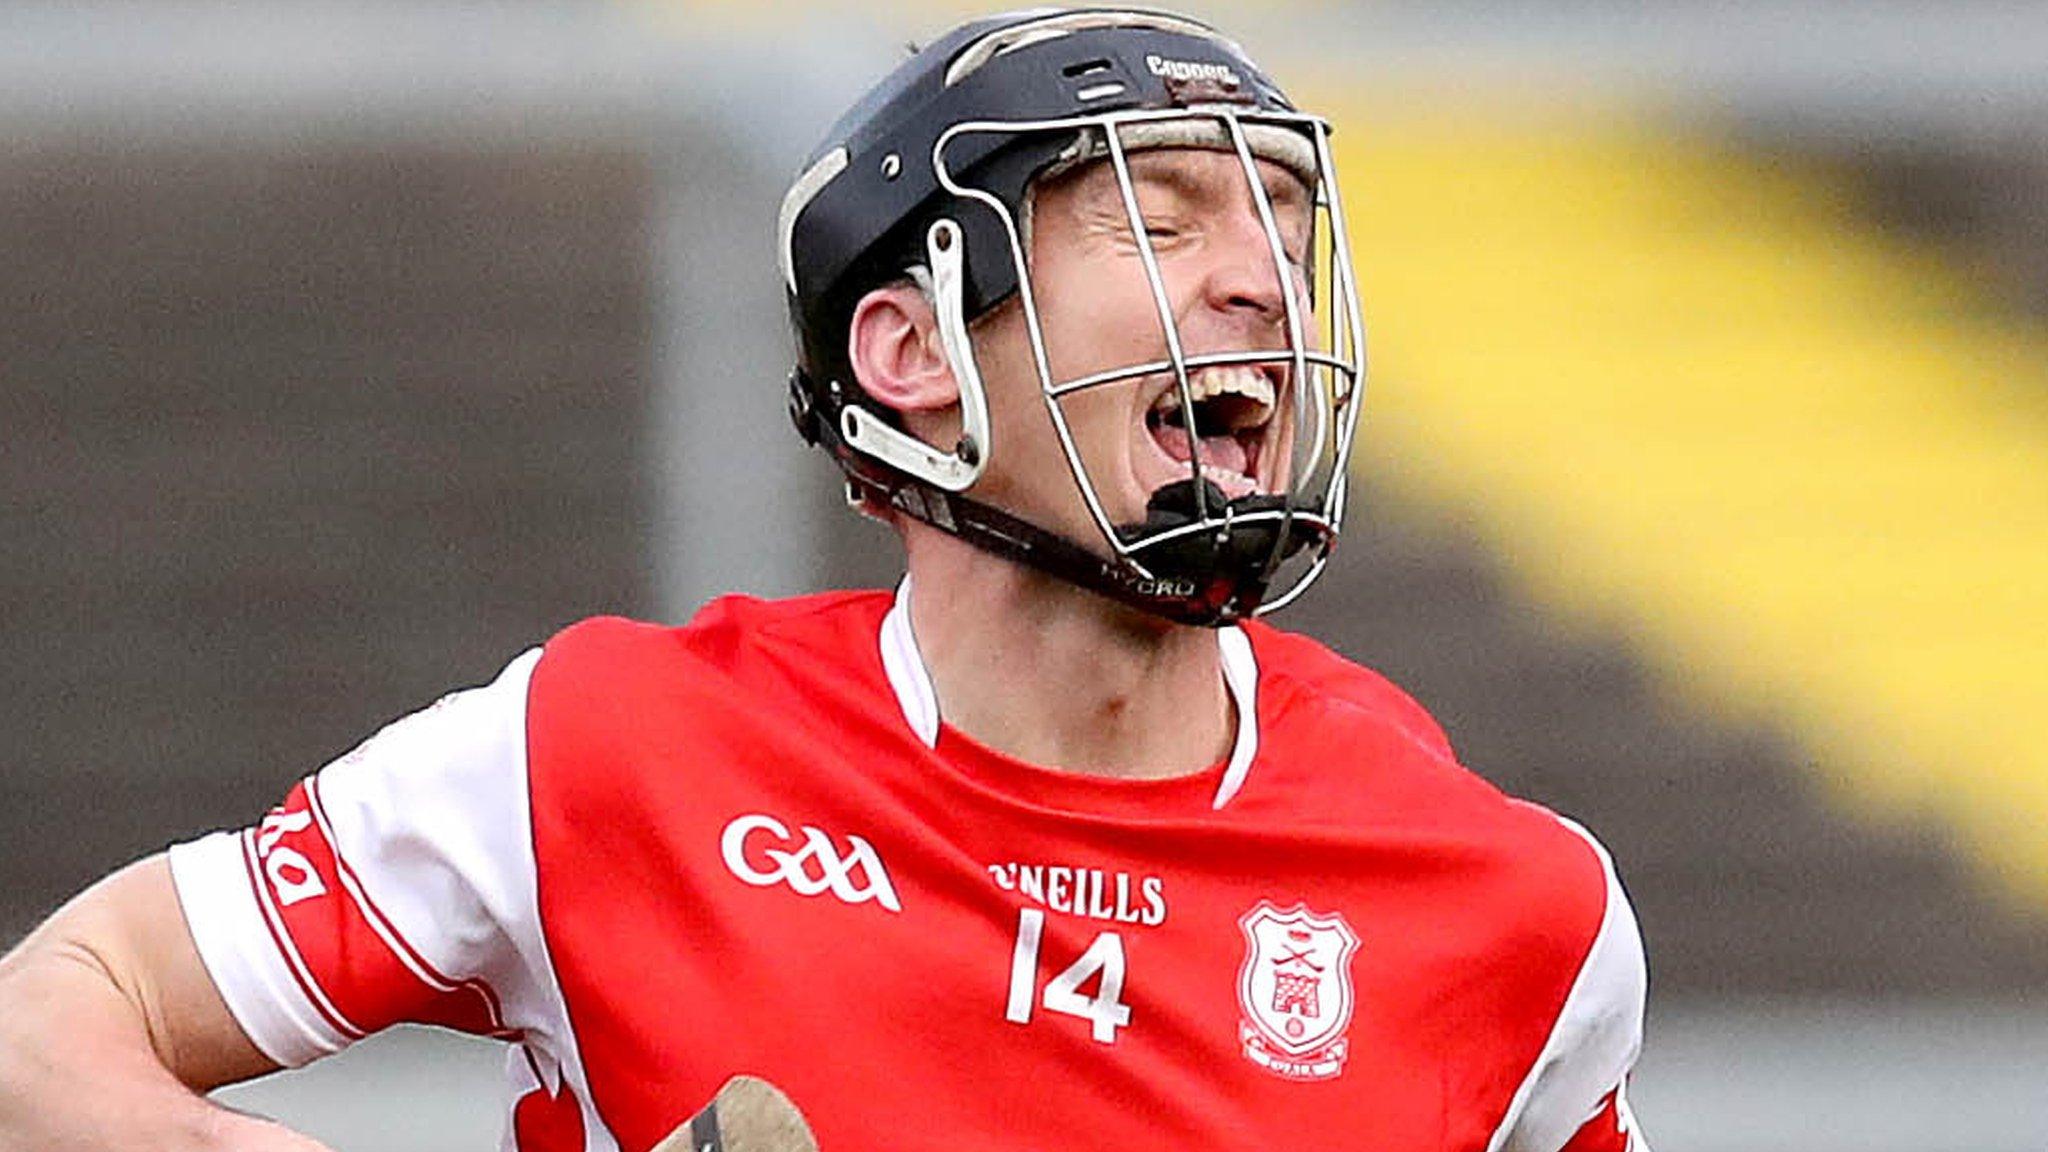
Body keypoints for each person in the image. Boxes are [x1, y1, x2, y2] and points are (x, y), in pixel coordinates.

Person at [0, 8, 1648, 1151]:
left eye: (1284, 234)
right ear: (912, 349)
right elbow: (49, 1025)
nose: (1255, 286)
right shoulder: (596, 754)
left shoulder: (1511, 904)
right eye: (1156, 222)